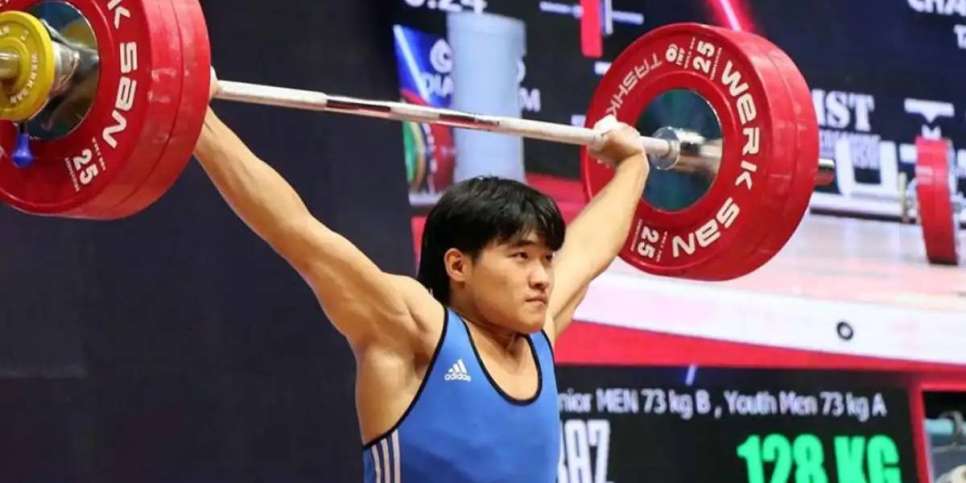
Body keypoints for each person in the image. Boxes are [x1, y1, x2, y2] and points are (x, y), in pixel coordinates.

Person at [194, 71, 649, 482]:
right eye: (521, 256)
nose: (542, 277)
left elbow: (591, 246)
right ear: (458, 266)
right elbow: (296, 231)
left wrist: (634, 165)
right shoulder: (414, 330)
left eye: (547, 259)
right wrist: (198, 121)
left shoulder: (537, 334)